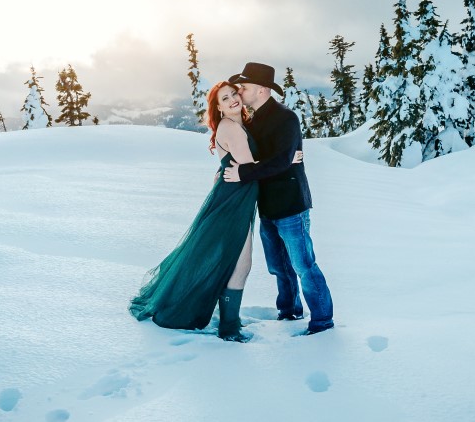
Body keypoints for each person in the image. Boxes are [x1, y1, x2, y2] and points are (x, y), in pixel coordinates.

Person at [129, 80, 301, 342]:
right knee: (240, 264)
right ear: (218, 108)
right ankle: (229, 328)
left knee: (231, 261)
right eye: (225, 98)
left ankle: (229, 322)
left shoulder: (239, 125)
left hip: (238, 198)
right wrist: (287, 158)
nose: (233, 99)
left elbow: (245, 164)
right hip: (232, 202)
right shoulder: (230, 127)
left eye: (234, 93)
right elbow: (248, 166)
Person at [223, 62, 334, 336]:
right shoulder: (254, 118)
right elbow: (271, 158)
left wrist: (246, 172)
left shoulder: (286, 118)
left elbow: (281, 160)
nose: (240, 92)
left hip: (291, 205)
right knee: (279, 266)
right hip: (268, 205)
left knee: (304, 265)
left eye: (244, 87)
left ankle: (322, 321)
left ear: (261, 90)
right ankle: (289, 311)